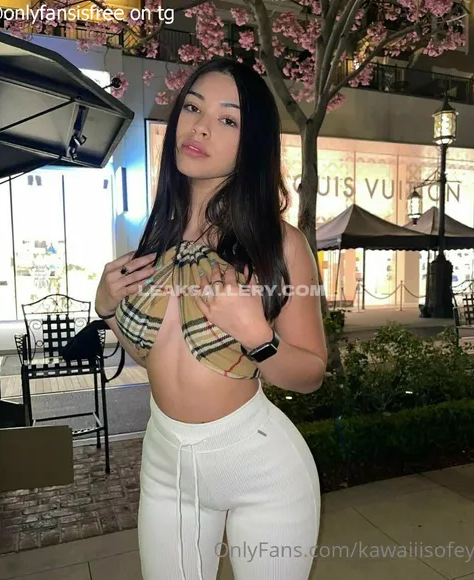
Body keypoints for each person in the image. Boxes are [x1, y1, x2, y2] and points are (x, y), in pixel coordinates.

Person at [95, 57, 328, 580]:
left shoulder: (280, 244)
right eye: (193, 108)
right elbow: (154, 356)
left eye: (227, 119)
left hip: (262, 471)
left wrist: (256, 335)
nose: (200, 127)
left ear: (253, 143)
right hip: (166, 467)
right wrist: (106, 308)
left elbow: (311, 373)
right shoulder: (153, 239)